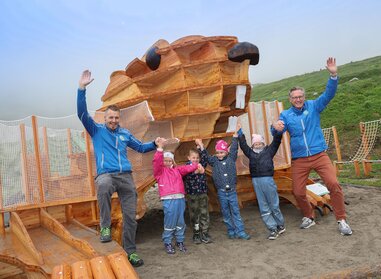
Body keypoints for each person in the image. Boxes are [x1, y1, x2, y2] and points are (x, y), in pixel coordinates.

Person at [77, 70, 159, 267]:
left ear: (119, 119)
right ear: (105, 118)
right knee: (103, 184)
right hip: (107, 175)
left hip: (126, 178)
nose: (113, 120)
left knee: (131, 217)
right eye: (110, 117)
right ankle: (105, 227)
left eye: (116, 118)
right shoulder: (96, 130)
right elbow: (81, 113)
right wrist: (81, 89)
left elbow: (140, 147)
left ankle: (130, 252)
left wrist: (155, 143)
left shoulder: (124, 133)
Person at [272, 57, 352, 236]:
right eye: (294, 97)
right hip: (300, 158)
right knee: (298, 191)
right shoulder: (286, 115)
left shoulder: (314, 106)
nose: (298, 99)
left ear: (304, 97)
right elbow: (277, 130)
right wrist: (275, 128)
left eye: (300, 96)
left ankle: (342, 219)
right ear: (290, 99)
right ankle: (308, 216)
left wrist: (333, 75)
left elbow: (328, 95)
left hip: (319, 154)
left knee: (334, 184)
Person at [196, 131, 251, 240]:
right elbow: (206, 156)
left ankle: (240, 231)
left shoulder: (231, 158)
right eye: (218, 152)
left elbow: (234, 148)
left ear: (226, 152)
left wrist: (235, 137)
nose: (220, 154)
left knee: (235, 211)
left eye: (222, 152)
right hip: (221, 192)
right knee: (225, 212)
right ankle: (231, 230)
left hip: (232, 191)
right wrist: (201, 146)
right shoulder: (214, 161)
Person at [153, 138, 204, 254]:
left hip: (180, 198)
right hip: (168, 199)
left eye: (169, 160)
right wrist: (160, 149)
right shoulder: (159, 172)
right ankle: (168, 242)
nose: (167, 162)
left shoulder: (177, 170)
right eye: (165, 161)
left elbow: (187, 168)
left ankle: (180, 241)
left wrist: (196, 165)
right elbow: (156, 162)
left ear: (172, 161)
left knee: (180, 221)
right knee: (170, 221)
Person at [237, 124, 286, 240]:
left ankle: (280, 224)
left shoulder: (269, 151)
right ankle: (272, 228)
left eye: (260, 143)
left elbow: (277, 141)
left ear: (263, 144)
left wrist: (276, 131)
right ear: (253, 145)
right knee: (263, 206)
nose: (258, 145)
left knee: (273, 204)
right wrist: (240, 132)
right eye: (255, 144)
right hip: (256, 180)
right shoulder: (251, 153)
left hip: (268, 179)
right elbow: (243, 146)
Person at [183, 147, 211, 244]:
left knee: (204, 213)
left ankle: (205, 232)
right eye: (193, 157)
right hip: (192, 195)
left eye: (197, 158)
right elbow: (184, 175)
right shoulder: (186, 167)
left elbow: (205, 157)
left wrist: (201, 145)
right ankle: (196, 233)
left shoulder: (201, 165)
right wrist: (195, 173)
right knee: (194, 215)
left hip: (202, 193)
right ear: (189, 158)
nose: (195, 159)